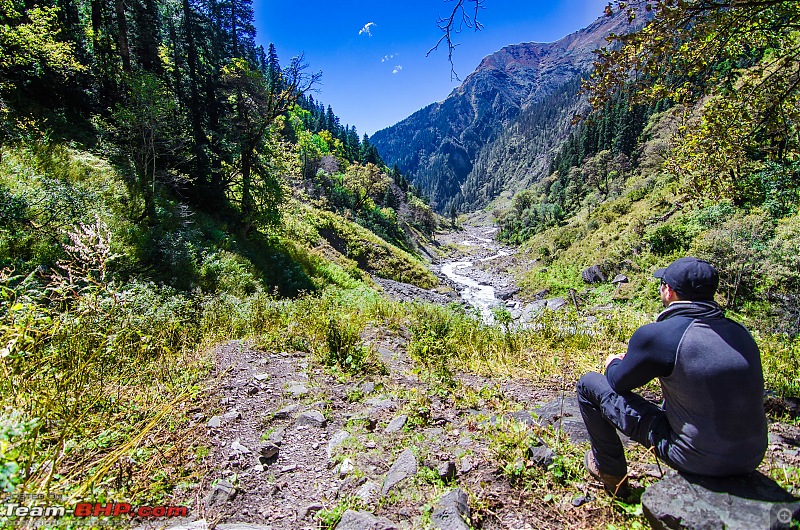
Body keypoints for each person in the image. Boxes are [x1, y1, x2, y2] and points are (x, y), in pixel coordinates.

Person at [576, 256, 768, 495]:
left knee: (588, 384)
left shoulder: (659, 335)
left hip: (695, 457)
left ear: (669, 291)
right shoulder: (740, 333)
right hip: (752, 456)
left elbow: (618, 382)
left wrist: (613, 362)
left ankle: (612, 475)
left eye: (662, 284)